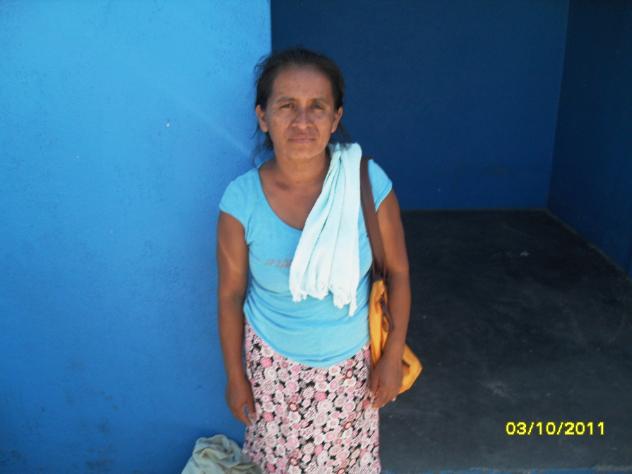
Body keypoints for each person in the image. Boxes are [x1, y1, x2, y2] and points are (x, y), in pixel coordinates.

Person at [216, 47, 411, 473]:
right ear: (263, 117)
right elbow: (230, 295)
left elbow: (397, 272)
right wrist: (235, 376)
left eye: (317, 107)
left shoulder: (366, 183)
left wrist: (391, 356)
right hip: (272, 372)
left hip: (351, 371)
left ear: (335, 118)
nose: (302, 121)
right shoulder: (241, 200)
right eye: (287, 105)